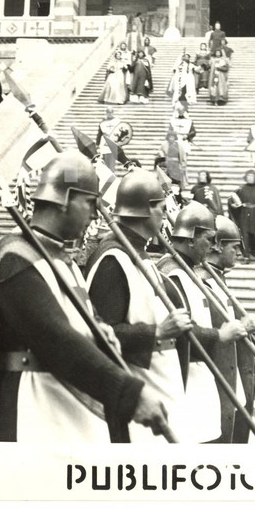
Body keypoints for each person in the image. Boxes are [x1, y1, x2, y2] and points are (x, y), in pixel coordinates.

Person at [0, 150, 169, 443]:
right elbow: (57, 340)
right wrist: (130, 394)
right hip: (34, 407)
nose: (95, 215)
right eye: (90, 203)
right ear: (65, 199)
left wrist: (101, 329)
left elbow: (84, 323)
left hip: (68, 406)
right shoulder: (16, 258)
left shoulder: (63, 259)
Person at [86, 169, 194, 442]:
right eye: (160, 206)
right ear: (145, 210)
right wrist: (156, 332)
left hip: (162, 389)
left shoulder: (140, 255)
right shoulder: (112, 258)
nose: (166, 214)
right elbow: (99, 335)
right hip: (139, 401)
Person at [157, 203, 249, 443]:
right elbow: (183, 330)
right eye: (208, 240)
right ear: (190, 239)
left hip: (201, 377)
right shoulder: (172, 273)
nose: (210, 248)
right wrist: (219, 335)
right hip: (187, 379)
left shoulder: (188, 271)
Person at [202, 216, 255, 443]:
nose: (239, 253)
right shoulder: (202, 279)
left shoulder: (217, 278)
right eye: (234, 247)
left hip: (232, 376)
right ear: (217, 245)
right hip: (216, 380)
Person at [96, 107, 132, 171]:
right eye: (108, 113)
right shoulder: (103, 122)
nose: (109, 114)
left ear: (113, 113)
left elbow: (120, 131)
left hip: (114, 141)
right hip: (105, 142)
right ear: (106, 113)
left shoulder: (117, 121)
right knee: (105, 159)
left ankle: (112, 173)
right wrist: (97, 144)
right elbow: (99, 133)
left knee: (112, 159)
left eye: (110, 112)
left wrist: (121, 143)